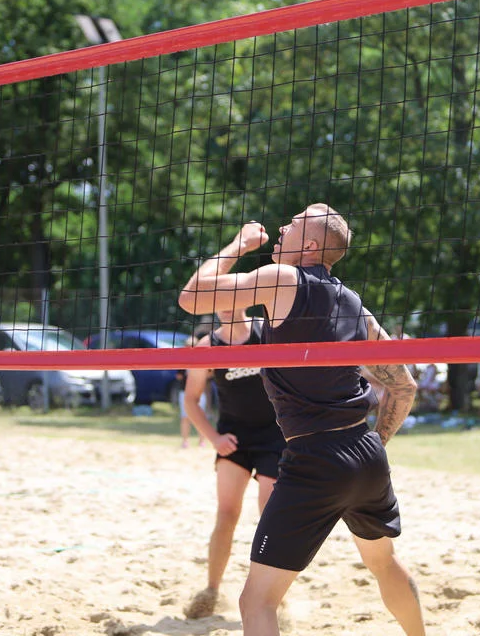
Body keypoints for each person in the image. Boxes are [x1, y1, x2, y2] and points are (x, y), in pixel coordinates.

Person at [179, 204, 425, 636]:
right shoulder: (354, 304)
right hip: (365, 455)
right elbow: (404, 387)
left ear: (309, 245)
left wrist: (239, 244)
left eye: (292, 224)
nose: (282, 227)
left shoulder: (283, 278)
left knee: (256, 600)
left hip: (314, 458)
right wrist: (374, 444)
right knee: (384, 565)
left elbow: (191, 297)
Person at [182, 308, 286, 620]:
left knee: (271, 515)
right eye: (220, 298)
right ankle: (211, 590)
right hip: (233, 437)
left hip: (274, 435)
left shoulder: (268, 332)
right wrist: (213, 438)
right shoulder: (208, 346)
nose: (226, 304)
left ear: (246, 297)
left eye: (232, 295)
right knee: (227, 513)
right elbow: (190, 399)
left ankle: (271, 595)